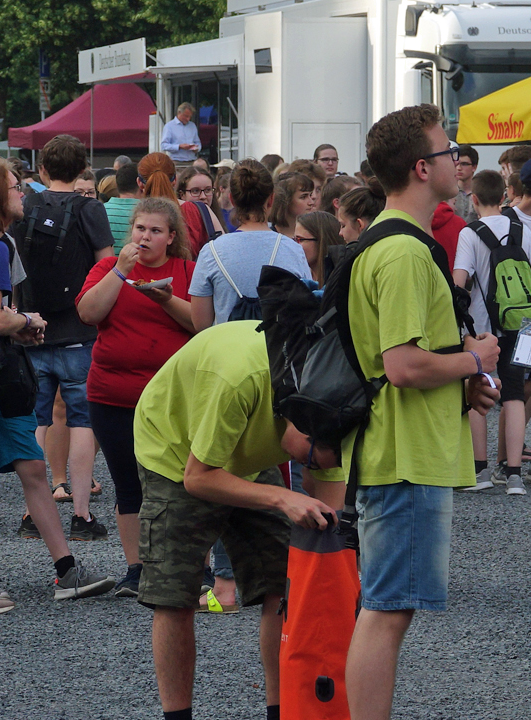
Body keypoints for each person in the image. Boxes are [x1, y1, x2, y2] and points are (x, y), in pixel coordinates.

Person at [344, 105, 500, 720]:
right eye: (447, 150)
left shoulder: (385, 241)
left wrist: (462, 377)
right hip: (404, 452)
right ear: (420, 167)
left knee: (386, 608)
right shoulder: (406, 253)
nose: (457, 161)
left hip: (399, 448)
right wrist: (473, 360)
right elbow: (404, 366)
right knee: (385, 611)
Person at [134, 322, 345, 720]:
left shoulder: (331, 405)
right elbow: (198, 477)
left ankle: (283, 712)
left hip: (244, 451)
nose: (306, 469)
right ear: (302, 422)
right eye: (307, 461)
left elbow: (329, 507)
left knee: (287, 583)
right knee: (175, 595)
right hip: (177, 452)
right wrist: (282, 496)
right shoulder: (239, 380)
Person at [0, 158, 114, 617]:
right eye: (14, 187)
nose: (22, 193)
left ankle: (65, 570)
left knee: (30, 467)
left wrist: (17, 327)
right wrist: (28, 321)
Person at [74, 197, 197, 599]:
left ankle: (192, 566)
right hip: (113, 394)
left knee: (184, 481)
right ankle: (136, 569)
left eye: (156, 231)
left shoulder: (186, 271)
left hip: (172, 398)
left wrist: (166, 299)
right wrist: (121, 272)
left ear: (171, 237)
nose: (146, 237)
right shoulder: (108, 268)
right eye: (141, 229)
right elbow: (89, 313)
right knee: (128, 485)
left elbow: (201, 323)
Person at [13, 135, 116, 541]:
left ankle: (30, 512)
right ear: (82, 170)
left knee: (37, 422)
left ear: (41, 170)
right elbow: (105, 266)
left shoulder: (26, 206)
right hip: (79, 330)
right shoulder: (91, 208)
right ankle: (81, 513)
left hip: (33, 327)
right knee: (82, 421)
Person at [452, 169, 531, 494]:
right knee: (515, 394)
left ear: (474, 199)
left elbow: (459, 282)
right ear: (504, 197)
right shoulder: (521, 230)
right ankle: (515, 474)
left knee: (477, 387)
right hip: (521, 325)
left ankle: (478, 471)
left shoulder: (469, 233)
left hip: (482, 328)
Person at [188, 161, 313, 332]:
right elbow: (306, 309)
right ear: (271, 199)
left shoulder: (211, 252)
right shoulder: (293, 249)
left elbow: (201, 324)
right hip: (275, 354)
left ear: (232, 199)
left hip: (228, 352)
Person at [178, 166, 226, 248]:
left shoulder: (220, 217)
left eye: (208, 190)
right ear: (182, 195)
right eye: (195, 191)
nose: (203, 196)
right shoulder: (178, 226)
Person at [294, 210, 341, 286]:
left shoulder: (341, 282)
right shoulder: (297, 278)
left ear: (321, 242)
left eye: (300, 240)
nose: (294, 245)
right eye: (294, 240)